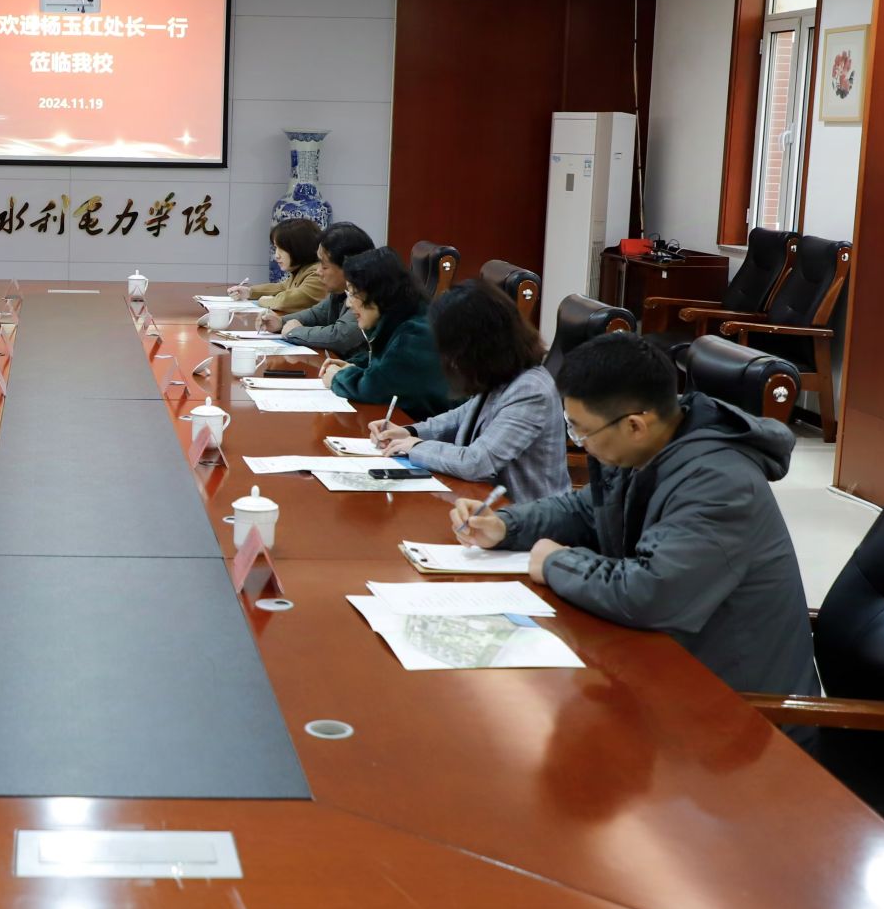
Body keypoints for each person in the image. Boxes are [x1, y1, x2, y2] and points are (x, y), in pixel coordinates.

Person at [449, 333, 820, 699]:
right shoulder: (654, 444)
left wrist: (556, 563)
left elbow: (651, 593)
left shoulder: (721, 485)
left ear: (634, 426)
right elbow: (585, 510)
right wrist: (506, 525)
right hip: (669, 666)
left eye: (581, 431)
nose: (580, 443)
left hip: (736, 708)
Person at [367, 280, 568, 500]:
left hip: (521, 513)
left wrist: (417, 447)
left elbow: (478, 462)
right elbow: (460, 417)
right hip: (482, 502)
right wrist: (410, 432)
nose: (449, 359)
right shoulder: (501, 374)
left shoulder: (530, 391)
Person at [322, 246, 452, 415]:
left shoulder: (415, 335)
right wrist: (355, 365)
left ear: (378, 293)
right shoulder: (401, 319)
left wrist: (337, 378)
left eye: (353, 293)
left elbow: (376, 387)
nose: (348, 303)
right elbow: (386, 364)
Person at [263, 221, 373, 362]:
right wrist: (281, 322)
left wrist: (295, 332)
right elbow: (316, 314)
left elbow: (340, 337)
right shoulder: (341, 291)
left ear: (348, 267)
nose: (318, 271)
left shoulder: (368, 293)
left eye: (324, 266)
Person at [230, 217, 325, 315]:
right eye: (276, 248)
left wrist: (264, 301)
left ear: (300, 247)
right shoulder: (301, 270)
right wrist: (249, 292)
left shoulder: (318, 273)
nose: (277, 255)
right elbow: (282, 287)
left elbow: (286, 302)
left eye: (282, 249)